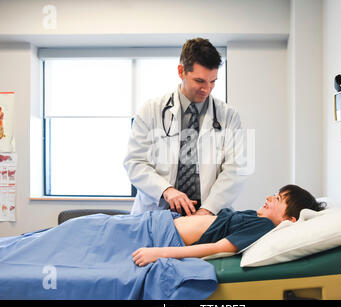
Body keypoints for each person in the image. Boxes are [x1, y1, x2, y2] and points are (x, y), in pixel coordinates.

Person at [124, 38, 248, 217]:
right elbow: (135, 162)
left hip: (207, 215)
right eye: (199, 81)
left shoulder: (228, 116)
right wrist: (166, 190)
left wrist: (207, 210)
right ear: (181, 71)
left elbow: (236, 169)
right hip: (158, 211)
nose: (207, 89)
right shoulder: (151, 110)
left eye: (212, 81)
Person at [132, 184, 326, 266]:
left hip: (161, 235)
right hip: (160, 222)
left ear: (288, 219)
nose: (268, 197)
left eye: (277, 198)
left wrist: (158, 253)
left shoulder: (264, 226)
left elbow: (216, 248)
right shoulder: (257, 217)